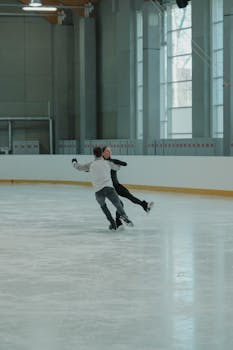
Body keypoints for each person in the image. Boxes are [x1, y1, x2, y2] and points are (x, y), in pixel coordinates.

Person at [72, 146, 133, 231]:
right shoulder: (107, 163)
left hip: (98, 191)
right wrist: (118, 163)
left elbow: (79, 168)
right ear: (102, 154)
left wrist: (74, 162)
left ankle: (112, 223)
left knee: (103, 207)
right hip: (109, 188)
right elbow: (116, 167)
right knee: (117, 203)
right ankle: (124, 216)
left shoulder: (91, 164)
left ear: (94, 154)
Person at [102, 145, 154, 228]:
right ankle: (117, 222)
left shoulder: (113, 161)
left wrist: (115, 162)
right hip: (108, 188)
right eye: (107, 151)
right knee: (120, 204)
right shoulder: (100, 163)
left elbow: (124, 164)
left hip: (117, 185)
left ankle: (145, 205)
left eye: (109, 151)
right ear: (103, 153)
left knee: (130, 196)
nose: (108, 152)